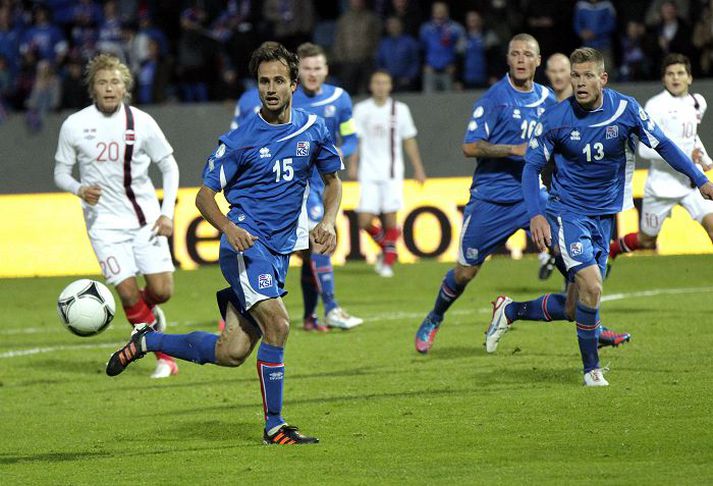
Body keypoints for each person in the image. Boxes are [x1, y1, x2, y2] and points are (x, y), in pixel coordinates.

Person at [106, 43, 343, 445]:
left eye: (278, 81)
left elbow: (333, 181)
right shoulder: (240, 140)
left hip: (279, 251)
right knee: (280, 324)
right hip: (245, 245)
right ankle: (275, 426)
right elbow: (203, 197)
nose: (271, 88)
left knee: (231, 352)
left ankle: (148, 339)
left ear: (294, 84)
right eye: (264, 81)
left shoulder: (313, 129)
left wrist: (329, 220)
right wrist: (228, 229)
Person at [493, 47, 713, 386]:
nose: (580, 83)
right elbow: (532, 167)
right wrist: (536, 215)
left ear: (602, 79)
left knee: (574, 306)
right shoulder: (555, 119)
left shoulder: (625, 110)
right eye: (575, 76)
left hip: (605, 217)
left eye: (587, 76)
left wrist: (700, 179)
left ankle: (510, 310)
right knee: (593, 288)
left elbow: (664, 144)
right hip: (567, 214)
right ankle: (591, 370)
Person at [413, 35, 630, 356]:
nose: (521, 59)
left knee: (574, 261)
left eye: (527, 54)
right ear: (508, 59)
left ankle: (592, 326)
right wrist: (513, 149)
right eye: (515, 54)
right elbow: (470, 146)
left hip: (537, 198)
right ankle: (434, 317)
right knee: (465, 272)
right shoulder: (494, 99)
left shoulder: (546, 100)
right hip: (492, 198)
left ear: (537, 61)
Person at [54, 53, 180, 379]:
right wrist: (80, 188)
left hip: (144, 219)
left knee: (163, 290)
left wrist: (167, 214)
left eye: (115, 82)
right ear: (92, 89)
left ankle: (148, 313)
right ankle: (165, 358)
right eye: (102, 83)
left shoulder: (142, 122)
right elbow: (61, 173)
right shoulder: (75, 125)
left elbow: (168, 166)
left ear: (125, 87)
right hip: (104, 225)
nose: (109, 88)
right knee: (125, 292)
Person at [608, 53, 713, 264]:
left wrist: (703, 157)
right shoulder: (655, 106)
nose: (676, 78)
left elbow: (692, 135)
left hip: (691, 184)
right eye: (670, 74)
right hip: (661, 188)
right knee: (646, 241)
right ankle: (614, 248)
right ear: (664, 79)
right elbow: (645, 151)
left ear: (690, 78)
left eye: (680, 73)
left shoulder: (697, 102)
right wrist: (685, 155)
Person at [292, 42, 363, 331]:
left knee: (312, 250)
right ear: (299, 71)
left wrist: (340, 151)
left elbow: (351, 137)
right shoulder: (289, 98)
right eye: (306, 68)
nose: (312, 73)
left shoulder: (341, 99)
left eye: (317, 68)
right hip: (298, 185)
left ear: (326, 70)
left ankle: (311, 317)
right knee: (318, 244)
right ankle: (332, 307)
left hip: (326, 182)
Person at [349, 69, 426, 277]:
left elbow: (409, 139)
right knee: (364, 220)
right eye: (377, 82)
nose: (381, 86)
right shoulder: (362, 109)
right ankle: (388, 248)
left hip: (392, 173)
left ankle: (387, 262)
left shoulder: (400, 110)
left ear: (390, 86)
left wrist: (418, 168)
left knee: (391, 221)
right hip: (369, 172)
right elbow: (356, 140)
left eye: (385, 82)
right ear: (371, 86)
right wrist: (353, 164)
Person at [537, 53, 573, 279]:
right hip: (549, 177)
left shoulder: (581, 101)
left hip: (576, 178)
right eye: (554, 71)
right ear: (547, 73)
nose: (558, 76)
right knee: (561, 239)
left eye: (563, 71)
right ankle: (569, 280)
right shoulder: (542, 104)